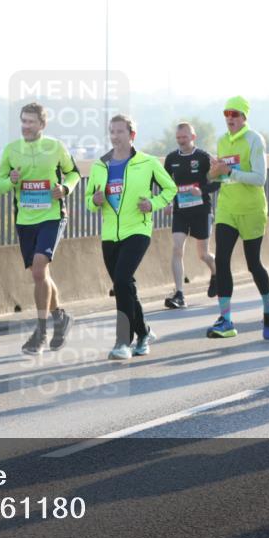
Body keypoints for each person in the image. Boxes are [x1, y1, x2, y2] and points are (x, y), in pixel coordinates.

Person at [86, 114, 176, 359]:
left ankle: (122, 342)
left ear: (132, 135)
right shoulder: (99, 165)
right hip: (109, 234)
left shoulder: (148, 163)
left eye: (120, 132)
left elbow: (171, 188)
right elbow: (89, 200)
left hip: (138, 230)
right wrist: (94, 201)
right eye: (112, 132)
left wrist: (154, 203)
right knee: (123, 285)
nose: (115, 136)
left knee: (123, 279)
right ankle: (144, 333)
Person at [0, 102, 80, 354]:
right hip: (25, 219)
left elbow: (73, 173)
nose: (26, 126)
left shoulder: (55, 147)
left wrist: (65, 188)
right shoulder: (11, 150)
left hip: (52, 215)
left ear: (42, 125)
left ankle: (41, 331)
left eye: (31, 122)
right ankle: (60, 318)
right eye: (23, 121)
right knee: (41, 275)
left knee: (40, 269)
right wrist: (9, 181)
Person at [206, 96, 269, 340]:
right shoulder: (221, 141)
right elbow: (221, 178)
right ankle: (226, 320)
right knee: (223, 260)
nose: (230, 118)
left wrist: (230, 171)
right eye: (226, 114)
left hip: (252, 209)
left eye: (235, 114)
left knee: (253, 264)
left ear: (244, 117)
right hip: (227, 208)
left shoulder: (254, 140)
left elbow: (260, 178)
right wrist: (213, 174)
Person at [163, 122, 219, 308]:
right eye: (178, 138)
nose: (181, 141)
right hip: (181, 211)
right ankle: (179, 293)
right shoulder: (171, 158)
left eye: (184, 138)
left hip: (201, 211)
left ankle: (216, 273)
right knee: (177, 248)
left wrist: (201, 190)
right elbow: (166, 184)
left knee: (203, 254)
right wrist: (168, 202)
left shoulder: (203, 157)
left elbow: (218, 182)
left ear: (193, 137)